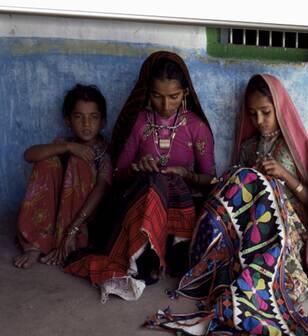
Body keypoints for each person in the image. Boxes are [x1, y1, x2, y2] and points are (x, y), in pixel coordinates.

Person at [144, 74, 308, 336]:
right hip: (254, 230)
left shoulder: (294, 147)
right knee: (238, 182)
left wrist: (283, 178)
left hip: (289, 230)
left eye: (266, 112)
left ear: (280, 108)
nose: (260, 120)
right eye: (253, 114)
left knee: (258, 189)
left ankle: (265, 280)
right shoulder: (249, 147)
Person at [65, 51, 216, 302]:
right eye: (157, 96)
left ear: (185, 94)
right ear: (147, 93)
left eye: (173, 97)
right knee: (152, 181)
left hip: (180, 208)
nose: (165, 105)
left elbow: (210, 180)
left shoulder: (196, 128)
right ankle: (144, 259)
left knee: (168, 182)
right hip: (140, 203)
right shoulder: (139, 122)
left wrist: (185, 174)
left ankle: (167, 254)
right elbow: (118, 174)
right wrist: (137, 168)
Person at [13, 84, 112, 269]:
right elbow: (29, 155)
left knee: (79, 163)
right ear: (68, 120)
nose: (86, 124)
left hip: (86, 218)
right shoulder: (66, 143)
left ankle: (65, 242)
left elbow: (101, 190)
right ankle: (37, 242)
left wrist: (72, 230)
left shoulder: (104, 153)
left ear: (103, 121)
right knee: (46, 161)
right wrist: (68, 147)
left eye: (93, 117)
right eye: (79, 117)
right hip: (59, 211)